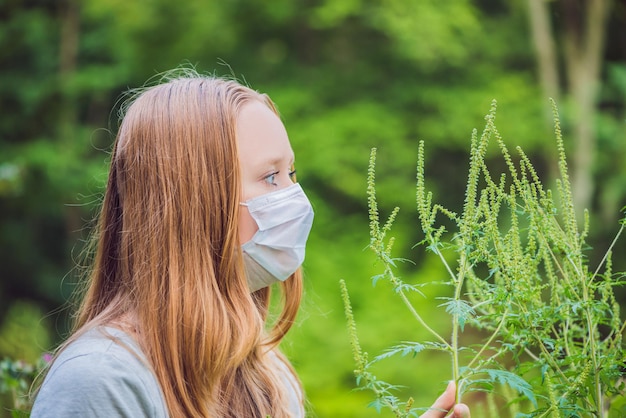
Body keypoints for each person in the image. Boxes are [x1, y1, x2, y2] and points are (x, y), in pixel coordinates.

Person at [31, 70, 470, 417]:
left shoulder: (266, 375)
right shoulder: (100, 382)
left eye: (291, 173)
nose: (293, 198)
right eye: (270, 176)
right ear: (194, 201)